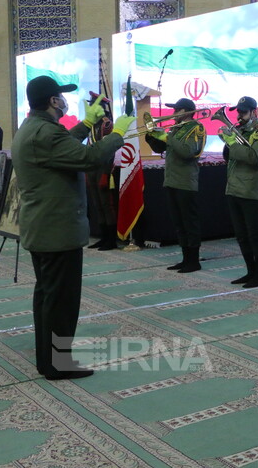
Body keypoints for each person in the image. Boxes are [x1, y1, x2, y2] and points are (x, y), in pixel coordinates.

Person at [11, 75, 134, 380]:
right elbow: (89, 157)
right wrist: (118, 132)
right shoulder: (47, 134)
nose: (65, 101)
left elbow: (65, 146)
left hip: (44, 228)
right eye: (62, 97)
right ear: (54, 101)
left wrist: (87, 124)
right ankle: (57, 364)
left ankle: (48, 360)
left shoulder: (35, 128)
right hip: (57, 231)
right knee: (61, 302)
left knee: (48, 298)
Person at [146, 97, 206, 273]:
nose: (173, 114)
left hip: (186, 181)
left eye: (176, 110)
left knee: (189, 222)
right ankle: (185, 258)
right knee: (179, 223)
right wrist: (152, 136)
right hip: (171, 180)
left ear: (184, 111)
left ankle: (194, 260)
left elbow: (188, 151)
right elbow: (160, 149)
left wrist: (167, 136)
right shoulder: (175, 129)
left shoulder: (197, 128)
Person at [222, 96, 258, 288]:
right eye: (239, 112)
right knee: (241, 235)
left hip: (250, 189)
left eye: (243, 112)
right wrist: (227, 141)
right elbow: (228, 157)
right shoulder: (238, 130)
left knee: (253, 234)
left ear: (254, 112)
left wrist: (233, 144)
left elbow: (254, 157)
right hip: (233, 187)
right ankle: (250, 271)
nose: (240, 116)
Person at [83, 94, 118, 251]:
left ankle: (111, 240)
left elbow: (108, 151)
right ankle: (103, 238)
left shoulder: (107, 125)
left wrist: (105, 173)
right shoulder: (92, 123)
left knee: (106, 204)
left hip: (103, 168)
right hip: (92, 168)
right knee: (97, 204)